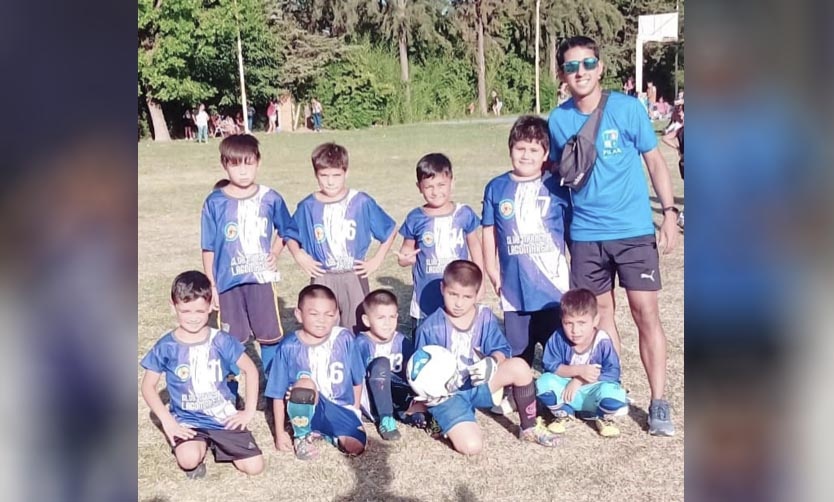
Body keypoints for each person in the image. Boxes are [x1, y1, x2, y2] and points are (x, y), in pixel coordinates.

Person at [547, 35, 678, 436]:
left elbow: (655, 162)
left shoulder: (627, 108)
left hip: (633, 232)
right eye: (572, 66)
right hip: (586, 236)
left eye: (588, 64)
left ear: (600, 67)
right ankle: (611, 390)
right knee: (602, 319)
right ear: (562, 75)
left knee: (645, 315)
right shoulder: (558, 120)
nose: (580, 72)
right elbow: (559, 175)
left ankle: (658, 402)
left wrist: (669, 214)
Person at [414, 260, 561, 454]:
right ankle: (436, 420)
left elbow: (501, 349)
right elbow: (419, 371)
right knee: (472, 447)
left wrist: (492, 362)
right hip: (449, 396)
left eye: (467, 297)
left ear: (477, 294)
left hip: (479, 385)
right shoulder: (430, 327)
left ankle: (529, 428)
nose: (459, 303)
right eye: (453, 294)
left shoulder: (484, 316)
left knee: (519, 367)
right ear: (442, 288)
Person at [139, 271, 264, 479]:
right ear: (173, 307)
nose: (193, 318)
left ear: (210, 306)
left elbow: (250, 370)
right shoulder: (167, 346)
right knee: (188, 460)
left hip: (223, 419)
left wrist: (248, 411)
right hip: (189, 421)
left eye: (199, 310)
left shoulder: (222, 340)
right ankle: (198, 446)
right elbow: (147, 387)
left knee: (254, 467)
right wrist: (168, 422)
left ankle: (219, 443)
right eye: (186, 311)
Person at [201, 134, 299, 396]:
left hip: (261, 281)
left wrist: (275, 252)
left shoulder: (270, 198)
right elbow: (208, 247)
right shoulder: (214, 202)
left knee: (269, 337)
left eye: (248, 163)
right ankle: (228, 396)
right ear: (224, 165)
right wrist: (211, 284)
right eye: (235, 164)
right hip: (228, 284)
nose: (243, 171)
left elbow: (287, 229)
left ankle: (276, 393)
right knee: (232, 342)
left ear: (258, 162)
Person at [482, 115, 571, 369]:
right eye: (520, 148)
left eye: (534, 150)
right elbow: (489, 230)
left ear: (545, 154)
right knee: (519, 356)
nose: (526, 155)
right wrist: (491, 269)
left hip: (553, 289)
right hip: (514, 290)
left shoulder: (556, 186)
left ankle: (560, 396)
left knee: (558, 355)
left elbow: (570, 231)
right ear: (510, 149)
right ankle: (520, 395)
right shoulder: (496, 188)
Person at [286, 142, 397, 334]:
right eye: (324, 175)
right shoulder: (308, 206)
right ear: (316, 174)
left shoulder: (360, 202)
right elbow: (288, 232)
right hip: (323, 275)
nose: (330, 182)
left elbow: (390, 229)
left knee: (358, 326)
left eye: (336, 175)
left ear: (346, 172)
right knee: (321, 329)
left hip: (353, 275)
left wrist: (376, 259)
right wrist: (298, 254)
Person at [265, 284, 366, 460]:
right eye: (314, 314)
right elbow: (277, 394)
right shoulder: (288, 346)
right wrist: (279, 433)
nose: (322, 320)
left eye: (329, 315)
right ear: (299, 314)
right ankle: (302, 435)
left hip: (339, 407)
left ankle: (325, 432)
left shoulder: (344, 338)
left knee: (355, 446)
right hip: (307, 405)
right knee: (305, 384)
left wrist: (355, 411)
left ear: (336, 316)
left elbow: (357, 380)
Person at [396, 153, 483, 332]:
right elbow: (405, 253)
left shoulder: (464, 214)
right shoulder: (415, 217)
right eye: (429, 186)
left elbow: (475, 246)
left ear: (452, 181)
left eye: (441, 185)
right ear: (419, 187)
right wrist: (405, 260)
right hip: (425, 300)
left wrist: (480, 282)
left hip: (458, 294)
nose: (436, 192)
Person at [536, 288, 628, 437]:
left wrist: (579, 380)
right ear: (562, 320)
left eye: (581, 323)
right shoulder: (558, 337)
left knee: (614, 394)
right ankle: (563, 413)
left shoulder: (602, 340)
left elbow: (613, 372)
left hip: (592, 392)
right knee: (543, 383)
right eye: (568, 323)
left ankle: (602, 417)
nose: (575, 330)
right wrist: (578, 371)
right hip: (566, 391)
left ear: (595, 320)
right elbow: (551, 366)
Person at [355, 289, 427, 440]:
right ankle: (386, 418)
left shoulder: (401, 340)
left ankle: (411, 415)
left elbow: (413, 370)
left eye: (392, 317)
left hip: (398, 394)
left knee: (423, 416)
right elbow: (355, 379)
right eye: (381, 318)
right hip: (373, 398)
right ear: (367, 320)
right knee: (382, 364)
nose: (387, 323)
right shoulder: (361, 343)